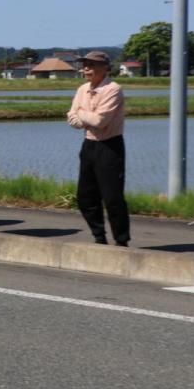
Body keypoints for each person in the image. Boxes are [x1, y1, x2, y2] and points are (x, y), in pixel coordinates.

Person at [67, 50, 130, 247]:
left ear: (105, 68)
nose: (86, 68)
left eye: (92, 65)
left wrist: (81, 114)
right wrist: (84, 117)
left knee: (112, 198)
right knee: (85, 196)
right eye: (84, 64)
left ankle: (121, 241)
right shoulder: (82, 89)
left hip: (110, 146)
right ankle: (99, 237)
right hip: (89, 145)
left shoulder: (113, 89)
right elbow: (71, 118)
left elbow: (100, 121)